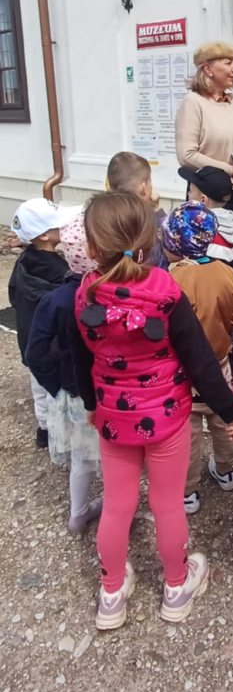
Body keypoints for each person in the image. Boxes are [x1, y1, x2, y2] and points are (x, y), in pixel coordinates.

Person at [71, 191, 233, 631]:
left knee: (118, 504)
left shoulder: (85, 294)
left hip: (114, 418)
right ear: (150, 241)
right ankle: (176, 586)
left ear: (92, 248)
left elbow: (80, 359)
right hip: (168, 419)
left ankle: (112, 593)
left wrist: (92, 405)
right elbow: (201, 362)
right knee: (167, 504)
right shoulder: (165, 290)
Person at [161, 201, 233, 514]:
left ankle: (187, 490)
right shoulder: (227, 273)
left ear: (174, 244)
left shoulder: (168, 279)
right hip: (220, 363)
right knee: (223, 420)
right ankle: (226, 471)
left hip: (181, 370)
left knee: (188, 431)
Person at [26, 210, 102, 533]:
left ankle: (78, 513)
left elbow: (35, 353)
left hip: (71, 391)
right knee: (112, 455)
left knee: (81, 458)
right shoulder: (108, 294)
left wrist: (55, 385)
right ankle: (116, 505)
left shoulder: (55, 299)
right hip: (104, 391)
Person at [175, 43, 233, 276]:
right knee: (211, 268)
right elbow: (186, 155)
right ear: (208, 68)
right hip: (208, 198)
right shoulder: (193, 103)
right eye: (228, 63)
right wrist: (230, 170)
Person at [8, 197, 78, 448]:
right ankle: (63, 436)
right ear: (45, 236)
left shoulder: (22, 262)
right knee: (56, 390)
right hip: (54, 345)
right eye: (59, 223)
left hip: (29, 338)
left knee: (38, 386)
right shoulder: (62, 272)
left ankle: (44, 430)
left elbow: (13, 295)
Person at [106, 150, 167, 268]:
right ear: (143, 187)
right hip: (151, 274)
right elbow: (168, 236)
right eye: (149, 181)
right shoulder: (147, 217)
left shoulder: (107, 213)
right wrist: (157, 210)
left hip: (116, 272)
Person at [178, 165, 233, 265]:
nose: (188, 194)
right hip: (229, 274)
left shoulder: (198, 229)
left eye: (190, 191)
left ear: (203, 200)